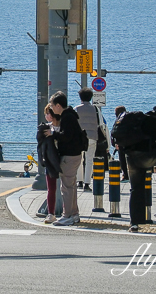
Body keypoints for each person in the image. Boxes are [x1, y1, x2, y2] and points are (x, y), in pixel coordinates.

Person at [111, 105, 156, 232]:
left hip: (130, 157)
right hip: (146, 156)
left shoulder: (137, 121)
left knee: (136, 188)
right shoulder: (155, 123)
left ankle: (135, 223)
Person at [45, 92, 86, 226]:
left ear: (58, 105)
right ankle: (74, 214)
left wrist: (53, 134)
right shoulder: (71, 115)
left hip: (69, 155)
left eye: (52, 105)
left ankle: (67, 215)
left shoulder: (67, 117)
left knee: (67, 187)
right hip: (75, 154)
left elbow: (66, 136)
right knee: (71, 186)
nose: (51, 108)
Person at [37, 104, 64, 223]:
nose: (47, 116)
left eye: (49, 113)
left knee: (67, 187)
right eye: (46, 114)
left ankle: (68, 211)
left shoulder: (62, 127)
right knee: (51, 188)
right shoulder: (45, 128)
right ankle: (51, 213)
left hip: (64, 158)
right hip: (50, 161)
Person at [74, 89, 100, 191]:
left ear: (80, 97)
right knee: (89, 160)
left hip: (79, 138)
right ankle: (87, 183)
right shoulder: (96, 109)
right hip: (92, 137)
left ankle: (79, 181)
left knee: (79, 160)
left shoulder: (76, 109)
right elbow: (101, 124)